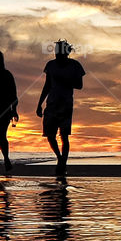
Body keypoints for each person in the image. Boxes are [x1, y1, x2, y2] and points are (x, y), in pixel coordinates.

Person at [36, 40, 85, 176]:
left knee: (64, 135)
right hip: (51, 104)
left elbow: (79, 85)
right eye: (56, 51)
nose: (57, 54)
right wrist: (39, 103)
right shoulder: (50, 65)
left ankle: (63, 163)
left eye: (60, 52)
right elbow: (46, 86)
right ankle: (60, 158)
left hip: (66, 105)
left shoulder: (75, 65)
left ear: (66, 52)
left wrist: (65, 81)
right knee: (50, 135)